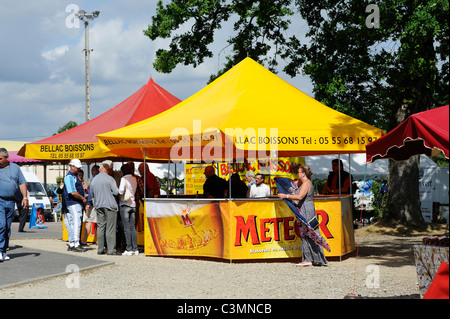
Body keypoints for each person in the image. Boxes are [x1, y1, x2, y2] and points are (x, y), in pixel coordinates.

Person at [277, 165, 328, 266]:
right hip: (302, 209)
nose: (297, 173)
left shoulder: (306, 183)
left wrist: (285, 196)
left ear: (303, 173)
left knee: (311, 233)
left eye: (299, 172)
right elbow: (290, 184)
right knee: (304, 234)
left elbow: (300, 196)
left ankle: (317, 259)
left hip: (307, 210)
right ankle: (308, 258)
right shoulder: (301, 183)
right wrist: (280, 179)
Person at [0, 148, 28, 261]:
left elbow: (22, 183)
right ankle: (0, 250)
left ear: (7, 158)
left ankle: (3, 250)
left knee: (7, 227)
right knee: (1, 225)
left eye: (0, 158)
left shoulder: (15, 168)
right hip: (0, 200)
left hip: (11, 201)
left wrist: (25, 197)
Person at [87, 161, 119, 255]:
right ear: (107, 168)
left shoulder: (94, 180)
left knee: (100, 227)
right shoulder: (110, 179)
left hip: (99, 205)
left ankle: (100, 249)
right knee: (110, 228)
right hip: (110, 206)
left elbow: (91, 194)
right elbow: (116, 192)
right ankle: (111, 250)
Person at [63, 159, 87, 252]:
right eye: (78, 167)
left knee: (73, 223)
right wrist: (83, 198)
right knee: (76, 223)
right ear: (72, 166)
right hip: (73, 203)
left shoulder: (72, 176)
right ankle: (76, 244)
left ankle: (72, 243)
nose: (79, 169)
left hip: (73, 203)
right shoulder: (70, 177)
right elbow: (73, 192)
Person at [118, 163, 138, 255]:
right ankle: (135, 249)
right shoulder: (134, 178)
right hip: (133, 205)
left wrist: (119, 197)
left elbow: (121, 191)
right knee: (133, 228)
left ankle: (128, 249)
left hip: (125, 204)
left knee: (126, 228)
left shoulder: (124, 179)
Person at [81, 164, 99, 246]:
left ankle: (84, 240)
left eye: (93, 170)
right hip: (99, 203)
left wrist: (88, 203)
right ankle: (99, 241)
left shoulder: (94, 180)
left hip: (93, 203)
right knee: (98, 223)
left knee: (89, 221)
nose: (92, 172)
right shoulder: (101, 179)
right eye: (92, 170)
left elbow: (91, 193)